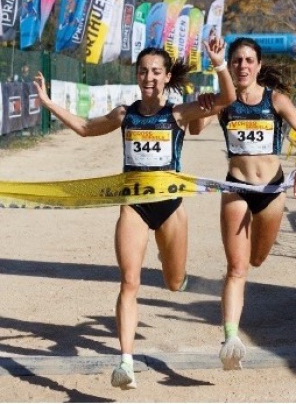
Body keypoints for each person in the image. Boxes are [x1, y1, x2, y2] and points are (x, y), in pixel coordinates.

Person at [33, 37, 236, 390]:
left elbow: (227, 99)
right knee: (129, 281)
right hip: (135, 206)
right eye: (143, 71)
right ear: (137, 76)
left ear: (166, 76)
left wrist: (219, 64)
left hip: (171, 208)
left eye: (156, 72)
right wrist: (49, 103)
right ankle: (125, 362)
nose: (149, 78)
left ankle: (177, 271)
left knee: (173, 283)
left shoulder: (178, 113)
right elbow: (84, 127)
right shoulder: (124, 115)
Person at [188, 37, 296, 371]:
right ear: (229, 66)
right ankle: (231, 338)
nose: (243, 66)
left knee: (257, 259)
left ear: (259, 66)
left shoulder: (275, 100)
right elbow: (193, 127)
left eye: (249, 61)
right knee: (237, 267)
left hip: (272, 190)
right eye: (237, 61)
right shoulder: (224, 101)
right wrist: (202, 104)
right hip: (235, 187)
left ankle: (235, 323)